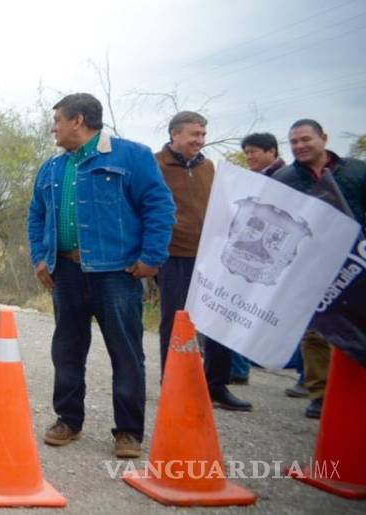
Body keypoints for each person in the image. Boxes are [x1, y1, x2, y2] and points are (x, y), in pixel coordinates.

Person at [27, 93, 175, 460]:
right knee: (67, 349)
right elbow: (37, 215)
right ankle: (68, 420)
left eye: (58, 119)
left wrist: (152, 257)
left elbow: (159, 206)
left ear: (78, 120)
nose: (53, 127)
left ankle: (128, 432)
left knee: (125, 353)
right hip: (67, 273)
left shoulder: (132, 156)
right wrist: (41, 259)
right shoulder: (52, 168)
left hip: (116, 273)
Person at [154, 112, 251, 412]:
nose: (200, 140)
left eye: (203, 134)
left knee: (219, 319)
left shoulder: (209, 166)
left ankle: (216, 385)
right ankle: (174, 383)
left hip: (212, 254)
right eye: (194, 134)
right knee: (176, 321)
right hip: (173, 255)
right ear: (175, 134)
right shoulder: (156, 165)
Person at [273, 118, 366, 419]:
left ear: (323, 138)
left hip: (358, 261)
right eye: (294, 142)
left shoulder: (356, 171)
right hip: (312, 265)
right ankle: (319, 392)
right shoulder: (285, 180)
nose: (300, 146)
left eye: (305, 140)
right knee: (316, 330)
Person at [229, 132, 286, 387]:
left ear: (272, 151)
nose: (249, 156)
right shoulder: (255, 179)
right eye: (247, 152)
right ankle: (240, 365)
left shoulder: (286, 179)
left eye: (255, 151)